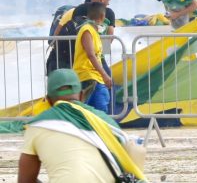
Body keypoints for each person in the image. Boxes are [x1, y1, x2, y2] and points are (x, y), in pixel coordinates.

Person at [18, 68, 147, 183]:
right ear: (82, 95)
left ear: (48, 99)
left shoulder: (37, 125)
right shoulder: (105, 122)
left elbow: (24, 180)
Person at [48, 0, 116, 74]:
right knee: (108, 80)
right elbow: (109, 37)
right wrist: (101, 53)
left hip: (74, 56)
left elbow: (58, 32)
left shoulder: (77, 9)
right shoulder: (108, 13)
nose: (108, 3)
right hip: (94, 58)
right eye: (108, 0)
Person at [73, 2, 113, 114]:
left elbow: (100, 54)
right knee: (87, 111)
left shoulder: (95, 32)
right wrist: (105, 75)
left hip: (96, 77)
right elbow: (91, 54)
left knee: (101, 109)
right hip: (87, 77)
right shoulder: (87, 30)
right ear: (102, 17)